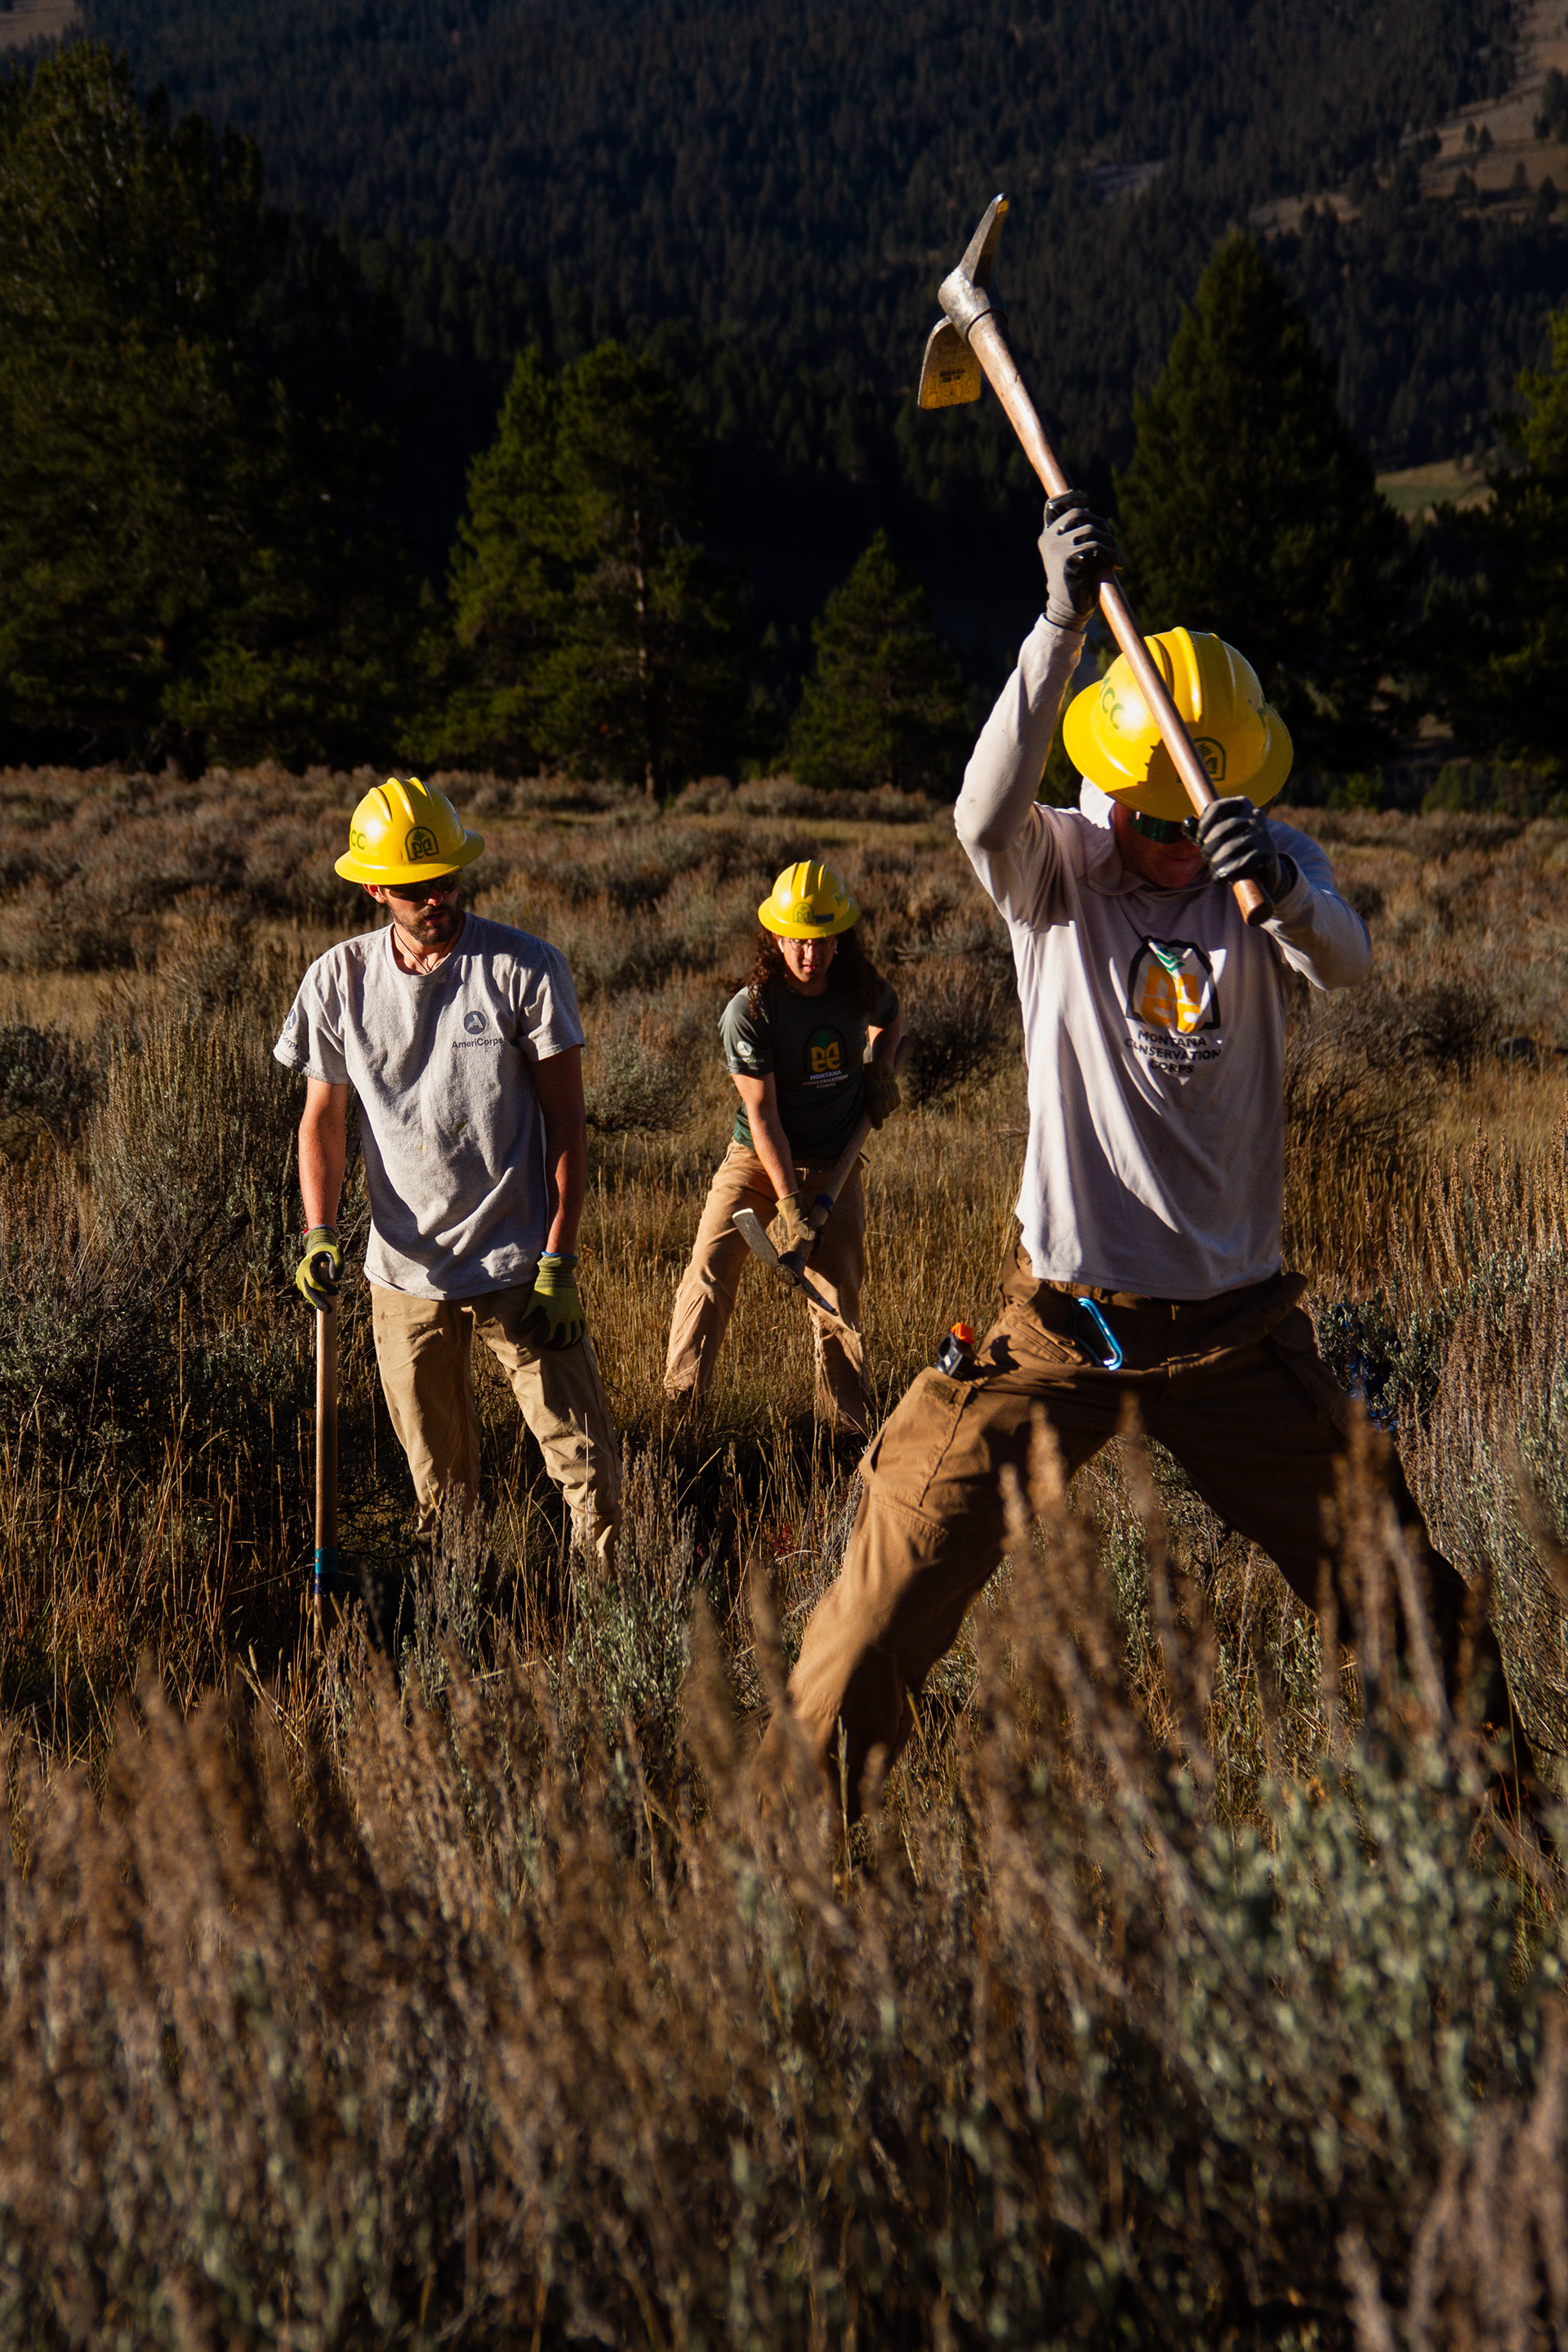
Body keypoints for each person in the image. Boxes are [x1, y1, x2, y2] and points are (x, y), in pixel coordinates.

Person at [763, 494, 1540, 1822]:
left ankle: (1514, 1846)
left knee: (1405, 1599)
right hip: (1061, 1330)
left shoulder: (1269, 866)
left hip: (1239, 1339)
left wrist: (1278, 889)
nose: (1174, 848)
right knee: (884, 1592)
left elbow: (1347, 962)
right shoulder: (1058, 870)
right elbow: (978, 815)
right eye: (1153, 820)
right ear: (1109, 789)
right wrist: (1057, 625)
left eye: (1196, 822)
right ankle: (786, 1861)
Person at [274, 775, 621, 1577]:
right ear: (374, 888)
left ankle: (612, 1612)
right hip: (406, 1271)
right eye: (414, 887)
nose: (437, 897)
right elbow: (321, 1119)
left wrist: (559, 1261)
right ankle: (463, 1614)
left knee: (587, 1469)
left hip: (519, 1264)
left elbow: (567, 1124)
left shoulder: (524, 968)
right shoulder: (338, 981)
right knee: (439, 1488)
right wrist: (319, 1231)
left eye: (448, 879)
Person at [663, 860, 902, 1434]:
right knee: (708, 1271)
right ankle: (681, 1416)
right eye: (798, 940)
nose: (810, 954)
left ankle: (844, 1431)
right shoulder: (751, 1010)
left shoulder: (857, 985)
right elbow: (763, 1112)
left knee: (837, 1298)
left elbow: (891, 1018)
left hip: (835, 1159)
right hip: (758, 1156)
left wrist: (881, 1069)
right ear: (776, 936)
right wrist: (791, 1201)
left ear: (838, 937)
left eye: (822, 940)